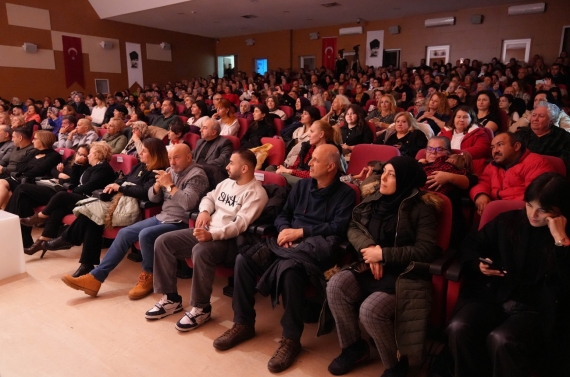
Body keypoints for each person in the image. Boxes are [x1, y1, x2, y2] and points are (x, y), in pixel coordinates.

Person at [213, 144, 355, 373]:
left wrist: (301, 233)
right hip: (287, 242)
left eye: (315, 160)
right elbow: (282, 214)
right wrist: (283, 231)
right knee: (244, 260)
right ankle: (243, 323)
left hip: (314, 248)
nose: (308, 163)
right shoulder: (302, 187)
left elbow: (338, 228)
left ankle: (291, 340)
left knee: (290, 270)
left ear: (330, 166)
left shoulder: (346, 194)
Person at [325, 155, 440, 377]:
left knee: (371, 310)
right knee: (336, 286)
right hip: (371, 266)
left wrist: (383, 254)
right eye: (383, 172)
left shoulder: (422, 209)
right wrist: (370, 249)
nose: (383, 179)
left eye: (391, 175)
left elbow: (426, 250)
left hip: (405, 275)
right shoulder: (375, 199)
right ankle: (354, 347)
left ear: (405, 180)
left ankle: (396, 363)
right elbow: (353, 227)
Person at [447, 172, 570, 377]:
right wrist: (478, 264)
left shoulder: (565, 236)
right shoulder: (510, 220)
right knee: (458, 327)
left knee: (501, 339)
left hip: (538, 308)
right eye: (530, 205)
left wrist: (561, 240)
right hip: (496, 295)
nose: (533, 215)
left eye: (543, 210)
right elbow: (470, 244)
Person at [60, 144, 209, 299]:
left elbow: (188, 203)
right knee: (125, 233)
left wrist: (169, 185)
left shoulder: (197, 175)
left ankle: (149, 275)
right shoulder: (171, 171)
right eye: (170, 158)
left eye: (176, 158)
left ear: (189, 157)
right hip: (162, 216)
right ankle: (95, 278)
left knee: (146, 234)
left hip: (182, 221)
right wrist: (157, 187)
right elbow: (153, 198)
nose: (172, 162)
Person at [144, 149, 268, 331]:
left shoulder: (256, 194)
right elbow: (208, 197)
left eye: (231, 163)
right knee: (163, 241)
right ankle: (171, 299)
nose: (227, 166)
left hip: (229, 241)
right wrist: (204, 211)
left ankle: (201, 308)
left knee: (200, 251)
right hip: (207, 231)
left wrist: (212, 235)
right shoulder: (227, 182)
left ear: (244, 168)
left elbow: (239, 226)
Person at [44, 138, 169, 278]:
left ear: (154, 153)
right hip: (118, 201)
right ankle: (86, 263)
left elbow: (145, 192)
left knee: (92, 214)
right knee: (93, 218)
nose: (140, 152)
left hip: (130, 208)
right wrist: (118, 185)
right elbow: (123, 178)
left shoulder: (158, 171)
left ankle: (68, 239)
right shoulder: (140, 166)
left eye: (144, 151)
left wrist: (121, 187)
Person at [9, 143, 115, 253]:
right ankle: (40, 243)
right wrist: (76, 166)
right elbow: (74, 183)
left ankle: (40, 216)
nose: (88, 156)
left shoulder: (103, 168)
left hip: (92, 200)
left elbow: (89, 186)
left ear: (97, 154)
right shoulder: (94, 167)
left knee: (61, 195)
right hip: (84, 196)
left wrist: (74, 190)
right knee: (57, 211)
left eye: (90, 153)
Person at [470, 132, 554, 215]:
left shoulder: (535, 163)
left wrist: (497, 206)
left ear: (516, 146)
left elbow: (536, 197)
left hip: (523, 214)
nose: (495, 151)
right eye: (492, 147)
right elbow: (482, 182)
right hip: (496, 211)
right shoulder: (492, 166)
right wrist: (481, 195)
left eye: (500, 145)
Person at [0, 130, 60, 209]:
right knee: (4, 186)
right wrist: (29, 167)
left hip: (35, 184)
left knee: (7, 189)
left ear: (43, 140)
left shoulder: (53, 156)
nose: (32, 141)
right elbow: (19, 166)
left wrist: (27, 167)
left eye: (35, 139)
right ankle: (6, 216)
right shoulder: (35, 152)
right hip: (22, 180)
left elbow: (38, 171)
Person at [276, 120, 342, 187]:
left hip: (312, 181)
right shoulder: (306, 147)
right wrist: (284, 169)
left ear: (321, 134)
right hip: (297, 176)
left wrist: (289, 171)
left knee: (279, 178)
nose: (308, 135)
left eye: (312, 131)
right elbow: (296, 165)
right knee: (271, 169)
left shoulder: (329, 151)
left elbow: (314, 175)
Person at [516, 101, 570, 175]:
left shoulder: (564, 137)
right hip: (519, 172)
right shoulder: (521, 133)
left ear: (551, 121)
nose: (535, 119)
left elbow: (564, 164)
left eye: (541, 116)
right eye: (534, 115)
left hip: (547, 177)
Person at [439, 106, 492, 175]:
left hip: (467, 166)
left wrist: (456, 154)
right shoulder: (445, 131)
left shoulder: (479, 132)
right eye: (458, 117)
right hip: (444, 163)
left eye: (465, 117)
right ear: (454, 118)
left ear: (471, 119)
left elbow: (481, 149)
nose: (461, 120)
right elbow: (437, 146)